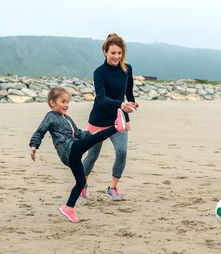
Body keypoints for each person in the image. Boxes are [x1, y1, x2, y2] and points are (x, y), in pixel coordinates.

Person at [29, 87, 128, 222]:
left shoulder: (67, 118)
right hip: (68, 149)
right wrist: (34, 145)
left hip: (73, 155)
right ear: (52, 103)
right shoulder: (50, 117)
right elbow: (39, 132)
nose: (66, 105)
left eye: (68, 102)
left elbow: (78, 133)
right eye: (63, 102)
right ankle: (116, 127)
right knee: (95, 139)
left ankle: (68, 208)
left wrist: (90, 134)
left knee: (81, 182)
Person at [81, 33, 138, 201]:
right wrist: (120, 104)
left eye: (119, 53)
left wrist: (132, 103)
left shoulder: (127, 69)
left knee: (121, 152)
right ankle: (82, 186)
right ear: (105, 52)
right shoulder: (99, 72)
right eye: (113, 53)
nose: (116, 56)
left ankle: (112, 188)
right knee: (92, 155)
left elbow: (128, 91)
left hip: (119, 118)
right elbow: (101, 98)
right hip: (98, 120)